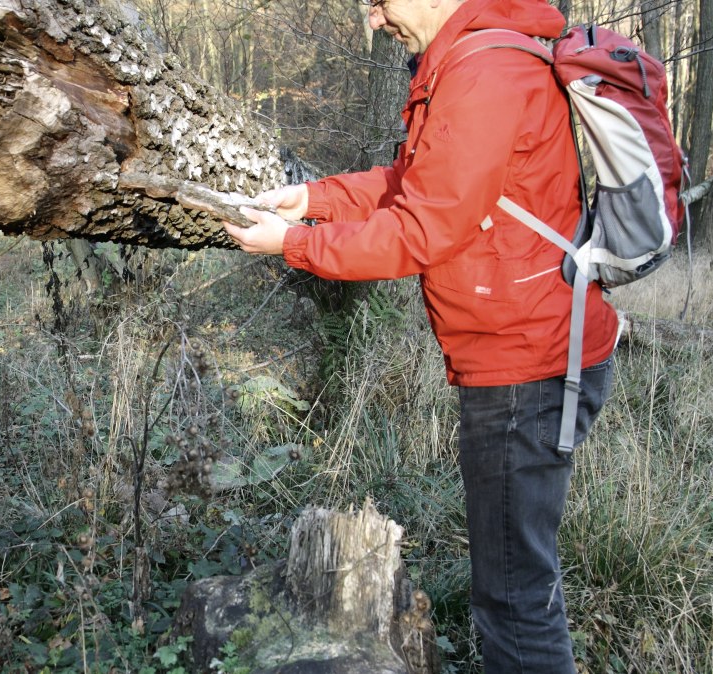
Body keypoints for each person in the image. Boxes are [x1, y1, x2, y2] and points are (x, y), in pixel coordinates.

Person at [224, 0, 617, 671]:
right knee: (517, 584)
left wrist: (294, 244)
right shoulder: (475, 60)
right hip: (525, 348)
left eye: (379, 1)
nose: (372, 20)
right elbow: (419, 188)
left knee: (515, 600)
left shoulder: (484, 72)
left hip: (522, 364)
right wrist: (315, 200)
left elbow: (420, 232)